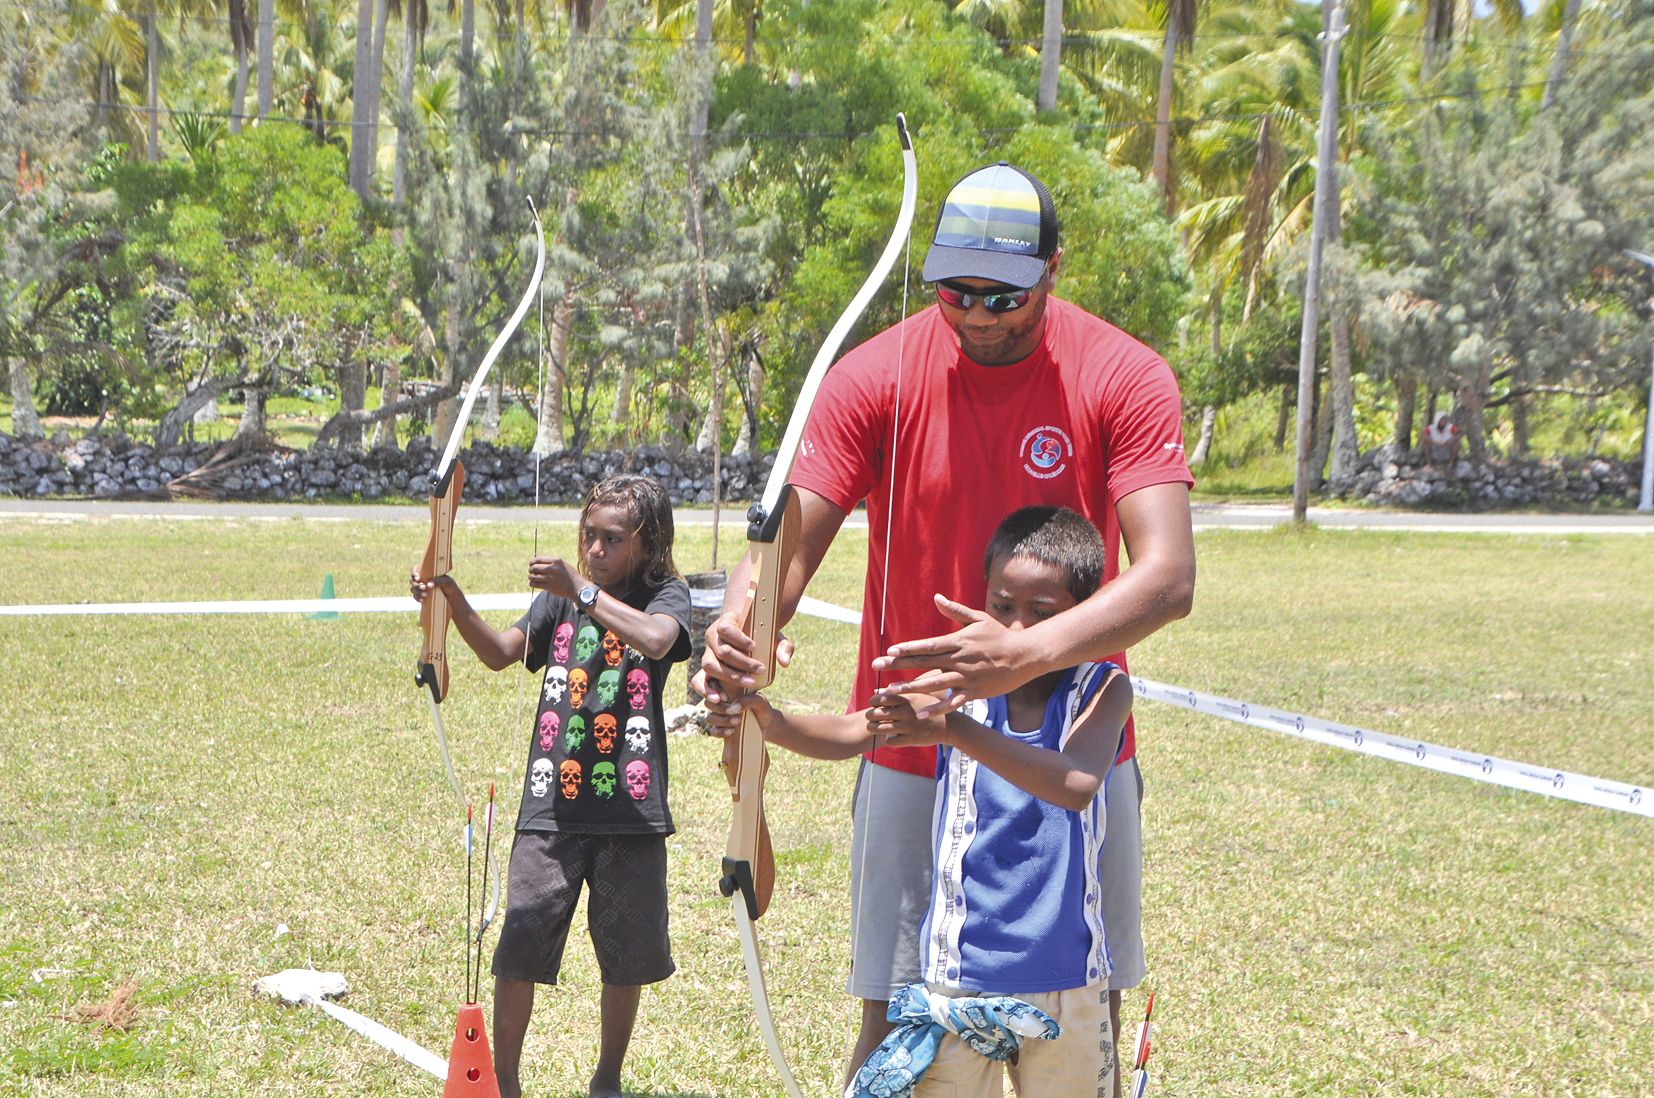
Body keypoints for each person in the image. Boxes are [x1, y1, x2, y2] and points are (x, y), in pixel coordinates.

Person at [695, 160, 1196, 1091]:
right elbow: (784, 551)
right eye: (955, 291)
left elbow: (1168, 577)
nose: (976, 315)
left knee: (1079, 1011)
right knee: (899, 1026)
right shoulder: (876, 375)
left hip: (1070, 753)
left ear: (1053, 269)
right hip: (912, 751)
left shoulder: (1124, 374)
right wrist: (738, 631)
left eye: (1003, 296)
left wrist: (1025, 657)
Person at [708, 506, 1135, 1097]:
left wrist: (955, 730)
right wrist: (772, 723)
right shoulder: (949, 686)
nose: (1014, 630)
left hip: (1070, 981)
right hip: (959, 983)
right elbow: (854, 731)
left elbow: (1076, 783)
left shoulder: (1103, 688)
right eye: (1002, 606)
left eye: (1042, 614)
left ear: (1082, 619)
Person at [411, 473, 691, 1098]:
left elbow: (657, 640)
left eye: (612, 539)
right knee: (521, 941)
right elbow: (499, 651)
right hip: (551, 806)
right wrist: (451, 599)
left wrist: (582, 589)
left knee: (626, 955)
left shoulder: (663, 594)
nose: (595, 548)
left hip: (631, 810)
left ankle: (607, 1080)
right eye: (588, 535)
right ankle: (505, 1083)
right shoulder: (560, 600)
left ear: (647, 545)